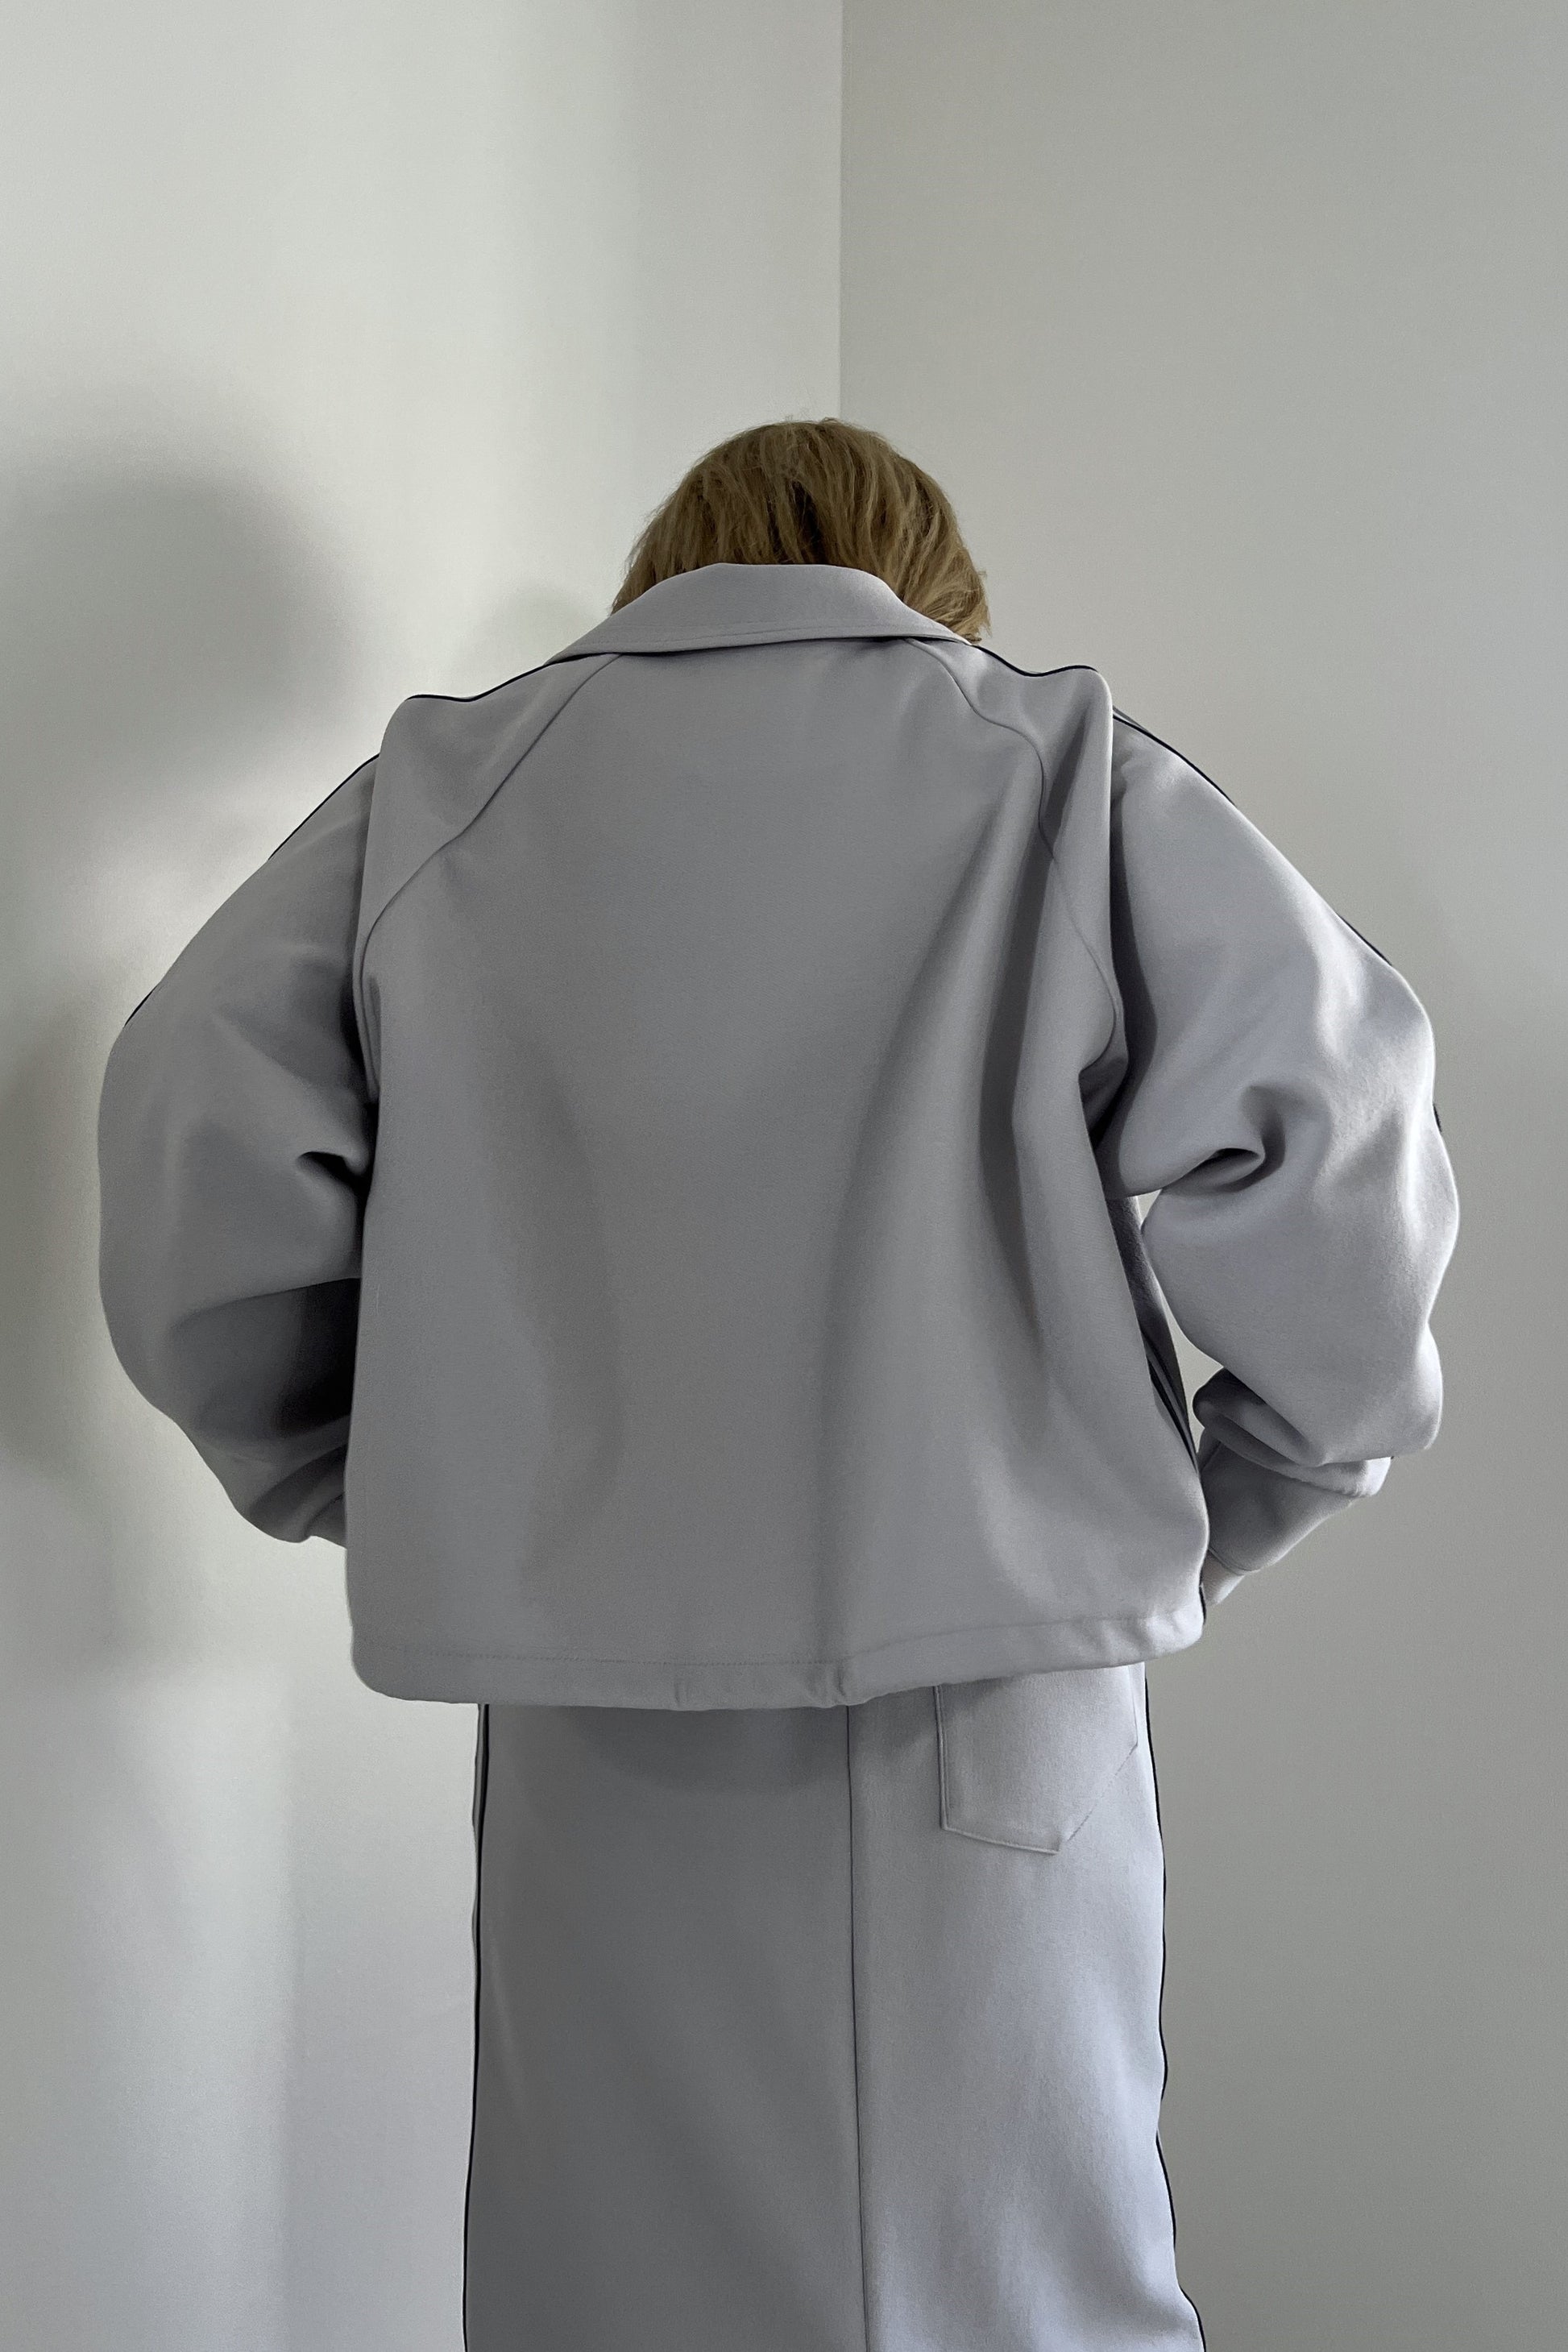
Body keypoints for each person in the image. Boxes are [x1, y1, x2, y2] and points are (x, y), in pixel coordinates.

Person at [96, 417, 1459, 2351]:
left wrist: (373, 1468)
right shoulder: (1051, 767)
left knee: (614, 2292)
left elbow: (190, 1142)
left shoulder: (446, 792)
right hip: (990, 1705)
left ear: (669, 565)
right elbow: (1340, 1146)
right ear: (933, 587)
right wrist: (1215, 1500)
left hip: (582, 1702)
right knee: (1017, 2290)